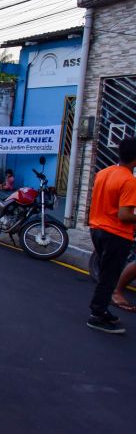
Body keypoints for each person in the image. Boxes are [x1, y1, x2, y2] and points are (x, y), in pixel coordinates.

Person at [86, 137, 136, 334]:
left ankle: (102, 309)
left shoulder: (103, 173)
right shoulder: (129, 181)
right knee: (109, 276)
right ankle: (97, 314)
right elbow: (124, 215)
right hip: (116, 233)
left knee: (106, 273)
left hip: (97, 229)